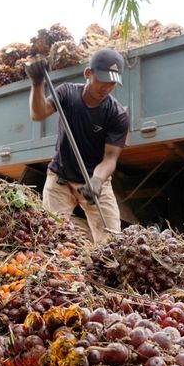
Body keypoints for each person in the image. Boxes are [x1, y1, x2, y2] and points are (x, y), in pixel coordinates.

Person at [25, 47, 129, 244]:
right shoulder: (67, 93)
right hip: (60, 178)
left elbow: (110, 158)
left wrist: (97, 181)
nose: (106, 87)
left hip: (94, 181)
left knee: (112, 241)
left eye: (112, 83)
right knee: (49, 239)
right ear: (88, 74)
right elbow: (37, 114)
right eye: (102, 81)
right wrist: (37, 83)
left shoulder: (117, 115)